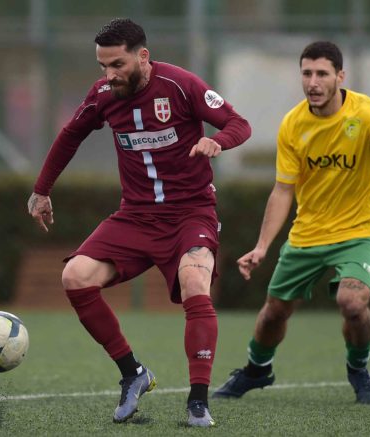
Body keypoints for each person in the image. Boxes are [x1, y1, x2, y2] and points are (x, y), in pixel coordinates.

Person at [27, 18, 251, 427]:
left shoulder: (181, 85)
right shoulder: (103, 94)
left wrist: (217, 140)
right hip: (135, 216)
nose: (109, 75)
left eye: (117, 65)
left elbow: (240, 124)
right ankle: (133, 373)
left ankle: (198, 401)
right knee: (75, 276)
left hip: (191, 213)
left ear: (143, 56)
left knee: (195, 282)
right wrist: (41, 191)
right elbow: (70, 135)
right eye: (103, 66)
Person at [213, 41, 370, 404]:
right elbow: (283, 191)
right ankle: (257, 369)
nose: (313, 82)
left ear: (340, 76)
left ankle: (358, 369)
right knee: (274, 313)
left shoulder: (368, 114)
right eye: (307, 73)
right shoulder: (293, 124)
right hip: (307, 235)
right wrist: (262, 246)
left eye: (322, 74)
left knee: (352, 303)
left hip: (361, 232)